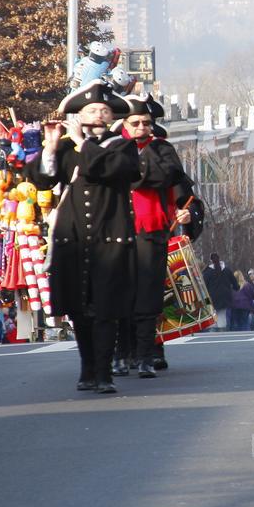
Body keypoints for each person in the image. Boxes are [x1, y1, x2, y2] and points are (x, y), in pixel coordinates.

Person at [28, 79, 140, 393]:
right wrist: (50, 147)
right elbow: (42, 181)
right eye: (92, 110)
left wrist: (82, 142)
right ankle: (87, 368)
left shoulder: (122, 146)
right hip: (73, 238)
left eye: (104, 110)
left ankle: (104, 372)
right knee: (79, 309)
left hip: (110, 237)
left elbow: (108, 170)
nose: (99, 116)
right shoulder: (67, 146)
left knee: (106, 309)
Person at [110, 93, 192, 378]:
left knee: (148, 295)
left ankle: (146, 354)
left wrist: (134, 166)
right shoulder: (111, 146)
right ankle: (121, 354)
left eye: (146, 123)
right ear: (124, 123)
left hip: (151, 230)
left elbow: (168, 176)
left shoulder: (162, 149)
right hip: (116, 230)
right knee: (119, 295)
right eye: (136, 123)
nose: (142, 128)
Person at [203, 253, 238, 331]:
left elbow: (204, 287)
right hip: (225, 297)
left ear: (211, 260)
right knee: (222, 316)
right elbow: (235, 284)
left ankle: (213, 333)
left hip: (210, 298)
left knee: (212, 317)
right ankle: (222, 332)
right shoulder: (227, 270)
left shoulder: (207, 272)